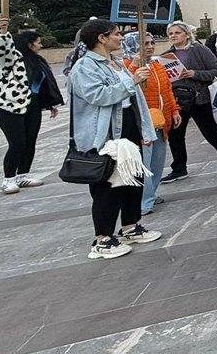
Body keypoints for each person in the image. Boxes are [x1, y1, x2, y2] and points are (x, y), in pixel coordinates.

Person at [68, 19, 161, 259]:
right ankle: (103, 238)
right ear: (101, 38)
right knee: (108, 185)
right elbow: (98, 96)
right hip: (105, 135)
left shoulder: (117, 63)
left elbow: (134, 98)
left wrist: (145, 129)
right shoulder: (85, 67)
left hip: (128, 128)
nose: (121, 38)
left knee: (132, 178)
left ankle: (130, 226)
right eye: (116, 34)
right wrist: (133, 81)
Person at [0, 20, 63, 194]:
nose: (41, 45)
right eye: (38, 42)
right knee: (17, 142)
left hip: (33, 105)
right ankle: (8, 179)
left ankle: (22, 175)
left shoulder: (37, 61)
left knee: (30, 141)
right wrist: (3, 31)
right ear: (29, 44)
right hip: (10, 106)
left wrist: (51, 103)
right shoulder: (11, 59)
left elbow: (44, 85)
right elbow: (1, 49)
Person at [161, 21, 217, 183]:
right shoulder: (166, 56)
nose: (173, 36)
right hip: (178, 100)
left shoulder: (200, 50)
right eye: (170, 33)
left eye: (177, 33)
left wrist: (194, 73)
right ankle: (179, 169)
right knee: (176, 135)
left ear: (187, 35)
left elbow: (216, 71)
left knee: (211, 132)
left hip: (199, 98)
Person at [122, 32, 183, 214]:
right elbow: (128, 88)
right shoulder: (126, 66)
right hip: (142, 123)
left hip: (160, 121)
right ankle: (143, 201)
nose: (149, 46)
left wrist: (174, 110)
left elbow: (167, 90)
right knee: (144, 164)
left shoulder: (156, 64)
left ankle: (151, 194)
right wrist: (134, 66)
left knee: (157, 162)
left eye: (151, 42)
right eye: (144, 43)